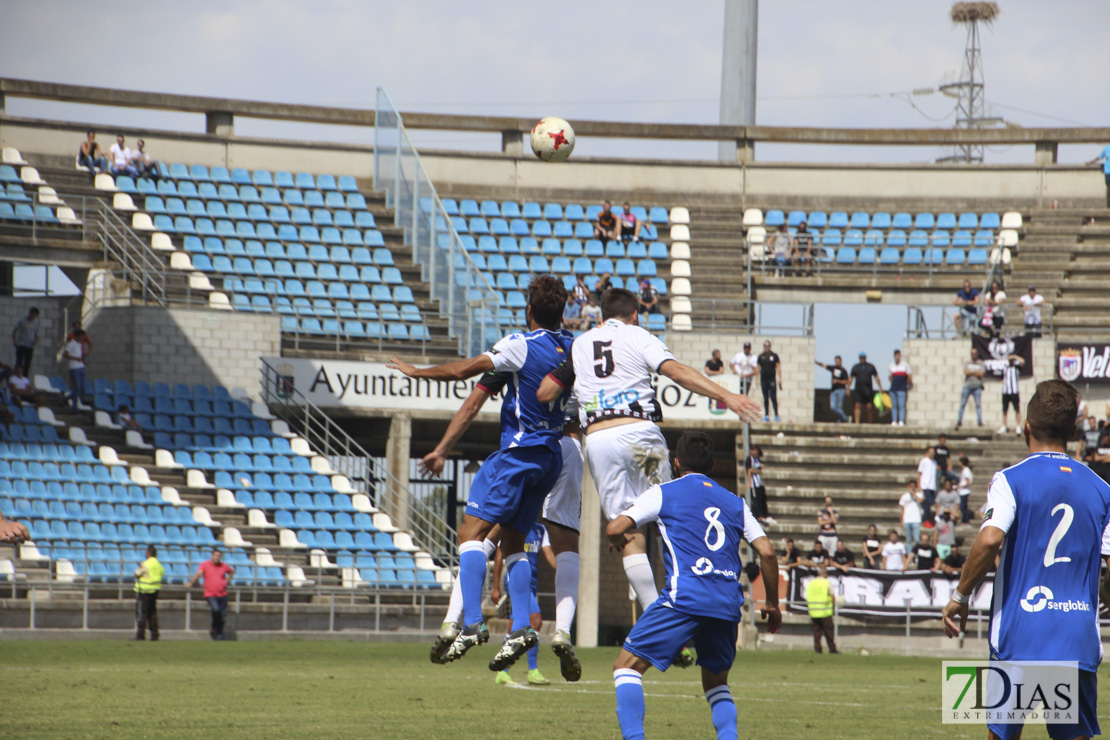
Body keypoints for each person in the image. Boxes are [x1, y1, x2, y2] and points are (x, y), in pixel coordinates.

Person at [537, 288, 760, 623]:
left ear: (601, 317)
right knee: (667, 519)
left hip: (598, 440)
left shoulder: (581, 344)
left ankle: (655, 617)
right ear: (635, 314)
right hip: (640, 435)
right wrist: (728, 396)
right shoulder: (640, 335)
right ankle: (690, 604)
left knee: (627, 532)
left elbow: (546, 392)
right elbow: (676, 371)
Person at [387, 275, 574, 671]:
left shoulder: (519, 345)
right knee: (513, 542)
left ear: (529, 310)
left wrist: (418, 371)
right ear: (563, 311)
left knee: (469, 534)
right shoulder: (572, 347)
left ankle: (472, 622)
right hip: (551, 457)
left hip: (518, 452)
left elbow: (461, 372)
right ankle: (522, 626)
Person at [942, 379, 1110, 740]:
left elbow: (989, 540)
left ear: (1026, 427)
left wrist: (960, 596)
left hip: (1021, 632)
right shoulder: (1102, 489)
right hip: (1075, 634)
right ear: (1075, 430)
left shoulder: (1010, 480)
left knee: (1002, 735)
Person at [607, 431, 781, 740]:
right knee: (716, 684)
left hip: (684, 598)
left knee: (626, 668)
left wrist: (618, 540)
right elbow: (767, 552)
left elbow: (615, 527)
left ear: (675, 462)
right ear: (712, 464)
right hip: (727, 604)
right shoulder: (735, 502)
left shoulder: (663, 492)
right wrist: (772, 604)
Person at [421, 371, 585, 681]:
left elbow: (467, 376)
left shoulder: (524, 352)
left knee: (479, 535)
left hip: (528, 448)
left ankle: (455, 621)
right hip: (568, 448)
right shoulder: (575, 352)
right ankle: (561, 631)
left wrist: (416, 372)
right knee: (563, 544)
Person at [490, 522, 555, 686]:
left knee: (514, 628)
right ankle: (533, 670)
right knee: (535, 622)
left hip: (531, 584)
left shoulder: (540, 530)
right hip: (517, 583)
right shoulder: (511, 525)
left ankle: (502, 671)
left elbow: (548, 553)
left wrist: (564, 570)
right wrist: (495, 586)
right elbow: (499, 556)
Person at [186, 548, 235, 640]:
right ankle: (213, 626)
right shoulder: (205, 564)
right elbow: (198, 574)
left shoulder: (223, 566)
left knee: (223, 615)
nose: (217, 558)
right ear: (212, 556)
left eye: (219, 556)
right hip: (211, 594)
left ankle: (219, 633)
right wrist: (191, 583)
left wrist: (227, 580)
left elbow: (231, 571)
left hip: (223, 594)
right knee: (216, 610)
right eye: (215, 555)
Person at [133, 545, 164, 641]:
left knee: (142, 613)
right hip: (155, 590)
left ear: (148, 553)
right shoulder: (159, 565)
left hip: (144, 590)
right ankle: (155, 635)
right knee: (152, 613)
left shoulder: (146, 564)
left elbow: (136, 573)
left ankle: (140, 635)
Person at [805, 566, 838, 654]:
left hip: (814, 611)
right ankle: (832, 649)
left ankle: (817, 649)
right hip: (825, 611)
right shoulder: (826, 583)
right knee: (829, 632)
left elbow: (807, 596)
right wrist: (834, 607)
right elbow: (832, 595)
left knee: (816, 633)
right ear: (824, 574)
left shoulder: (811, 583)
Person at [955, 347, 986, 429]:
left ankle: (980, 422)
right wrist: (976, 372)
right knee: (962, 404)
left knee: (978, 405)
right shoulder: (967, 362)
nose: (973, 355)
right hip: (967, 386)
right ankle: (959, 421)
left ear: (977, 354)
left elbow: (981, 374)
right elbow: (965, 372)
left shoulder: (981, 363)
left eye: (975, 353)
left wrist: (971, 372)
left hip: (977, 387)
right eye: (972, 353)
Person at [744, 445, 775, 527]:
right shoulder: (749, 459)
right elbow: (749, 470)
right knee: (756, 500)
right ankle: (759, 516)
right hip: (754, 484)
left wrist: (757, 469)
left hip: (759, 482)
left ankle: (766, 515)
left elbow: (759, 470)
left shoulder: (757, 459)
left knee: (762, 498)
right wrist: (749, 482)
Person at [849, 352, 881, 424]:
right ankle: (857, 422)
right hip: (858, 390)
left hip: (868, 390)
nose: (862, 359)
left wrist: (880, 387)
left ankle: (869, 422)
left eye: (863, 357)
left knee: (869, 407)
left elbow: (876, 377)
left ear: (865, 358)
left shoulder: (870, 366)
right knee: (857, 405)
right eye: (861, 357)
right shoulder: (855, 367)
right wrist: (848, 388)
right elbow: (851, 378)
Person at [815, 356, 850, 423]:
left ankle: (839, 421)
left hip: (841, 390)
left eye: (838, 361)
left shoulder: (844, 370)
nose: (837, 362)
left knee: (840, 407)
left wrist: (838, 381)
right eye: (836, 361)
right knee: (833, 407)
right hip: (833, 391)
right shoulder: (833, 368)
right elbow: (823, 365)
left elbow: (847, 381)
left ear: (841, 361)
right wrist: (816, 362)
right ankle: (846, 418)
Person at [997, 352, 1024, 434]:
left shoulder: (1016, 367)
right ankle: (1004, 426)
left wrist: (1015, 357)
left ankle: (1018, 426)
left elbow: (1023, 361)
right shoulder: (1005, 367)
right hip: (1006, 391)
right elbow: (1001, 377)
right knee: (1005, 409)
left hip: (1014, 391)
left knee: (1017, 409)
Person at [756, 340, 782, 422]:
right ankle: (766, 415)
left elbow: (778, 367)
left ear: (770, 346)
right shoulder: (761, 356)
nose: (766, 347)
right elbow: (757, 368)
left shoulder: (774, 356)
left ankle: (776, 415)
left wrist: (780, 378)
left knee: (773, 397)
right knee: (765, 398)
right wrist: (757, 379)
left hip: (772, 379)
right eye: (764, 346)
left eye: (767, 346)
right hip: (763, 379)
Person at [63, 330, 88, 411]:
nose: (82, 338)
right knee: (77, 388)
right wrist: (75, 358)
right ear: (76, 336)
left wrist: (82, 360)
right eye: (81, 337)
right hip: (74, 368)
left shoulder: (79, 344)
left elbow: (79, 354)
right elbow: (65, 354)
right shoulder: (71, 343)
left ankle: (67, 398)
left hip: (81, 367)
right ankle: (74, 407)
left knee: (82, 389)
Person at [11, 306, 39, 375]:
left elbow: (35, 334)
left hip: (29, 346)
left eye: (35, 315)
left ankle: (24, 379)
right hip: (21, 345)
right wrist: (14, 341)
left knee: (27, 364)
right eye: (32, 314)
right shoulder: (22, 321)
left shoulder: (35, 323)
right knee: (19, 363)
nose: (33, 316)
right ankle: (17, 377)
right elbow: (14, 331)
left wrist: (35, 340)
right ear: (30, 313)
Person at [887, 350, 911, 427]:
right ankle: (894, 420)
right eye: (896, 355)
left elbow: (909, 376)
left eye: (898, 355)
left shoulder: (904, 365)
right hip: (893, 389)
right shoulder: (891, 365)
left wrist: (905, 384)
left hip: (902, 389)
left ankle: (901, 420)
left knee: (901, 405)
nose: (897, 357)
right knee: (894, 405)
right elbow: (890, 377)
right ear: (894, 356)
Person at [917, 446, 938, 523]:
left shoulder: (935, 462)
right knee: (928, 501)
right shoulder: (924, 461)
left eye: (933, 452)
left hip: (933, 486)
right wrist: (919, 486)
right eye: (931, 452)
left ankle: (929, 519)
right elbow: (919, 473)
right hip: (925, 485)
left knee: (932, 503)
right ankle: (926, 520)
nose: (932, 453)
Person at [899, 480, 923, 546]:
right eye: (911, 486)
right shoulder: (904, 496)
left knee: (917, 540)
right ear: (908, 486)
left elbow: (921, 500)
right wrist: (901, 521)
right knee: (908, 540)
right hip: (907, 520)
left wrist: (913, 494)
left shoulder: (919, 494)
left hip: (916, 520)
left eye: (914, 486)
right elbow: (902, 509)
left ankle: (917, 555)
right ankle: (909, 555)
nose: (912, 487)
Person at [1086, 143, 1110, 207]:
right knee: (1108, 184)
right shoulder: (1107, 149)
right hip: (1108, 171)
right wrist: (1090, 162)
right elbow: (1099, 157)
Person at [956, 456, 974, 526]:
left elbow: (968, 481)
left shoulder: (966, 470)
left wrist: (960, 486)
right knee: (963, 507)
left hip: (964, 491)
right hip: (962, 491)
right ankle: (964, 521)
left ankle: (966, 521)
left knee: (963, 507)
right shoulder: (964, 470)